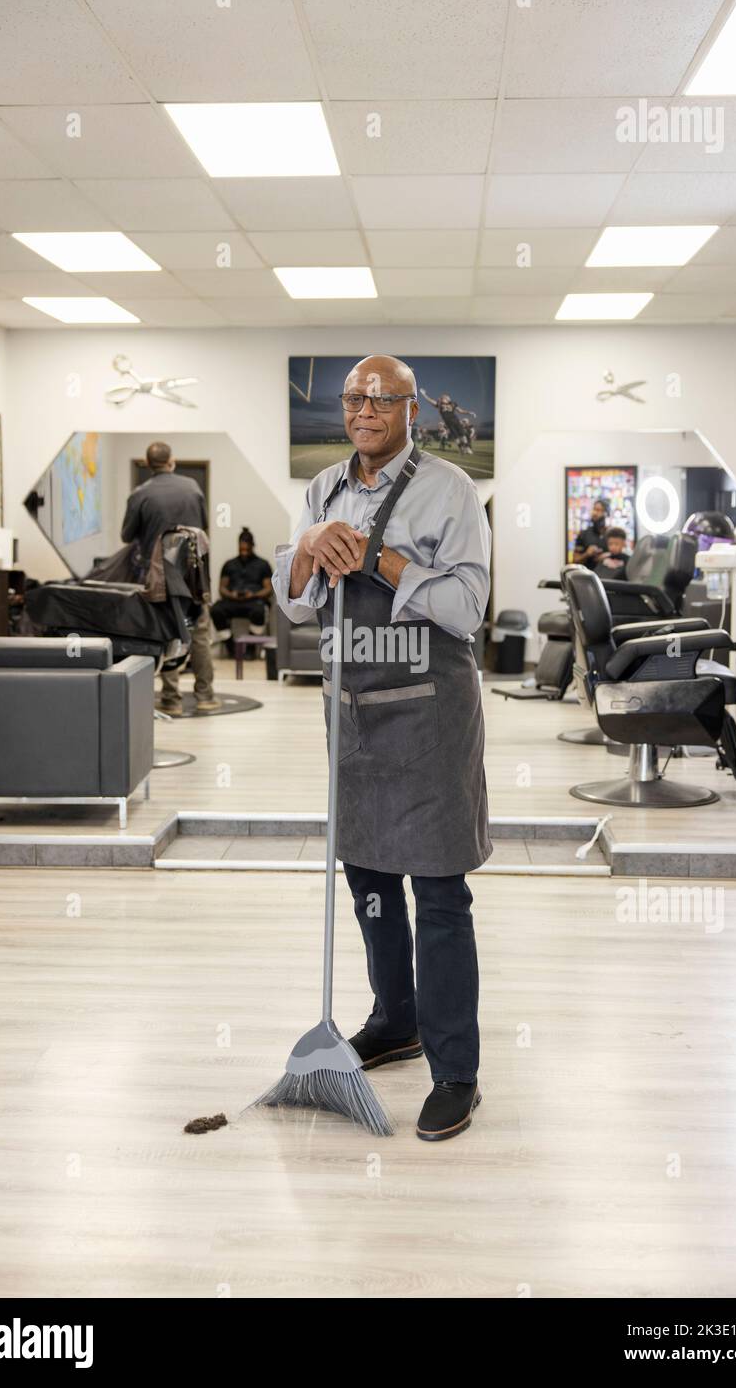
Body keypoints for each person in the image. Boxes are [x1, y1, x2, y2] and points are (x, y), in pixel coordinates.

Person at [273, 354, 491, 1142]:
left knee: (437, 894)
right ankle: (393, 1021)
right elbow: (294, 600)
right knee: (368, 882)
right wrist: (307, 549)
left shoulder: (449, 489)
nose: (363, 408)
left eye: (381, 398)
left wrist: (376, 555)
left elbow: (466, 606)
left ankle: (454, 1070)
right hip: (355, 713)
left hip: (429, 714)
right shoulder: (323, 489)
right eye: (353, 396)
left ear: (409, 411)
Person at [120, 440, 220, 714]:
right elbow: (203, 527)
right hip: (194, 575)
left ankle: (171, 699)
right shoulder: (192, 487)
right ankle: (206, 695)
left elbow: (126, 536)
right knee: (199, 632)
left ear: (147, 463)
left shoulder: (140, 494)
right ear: (171, 461)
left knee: (166, 632)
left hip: (160, 577)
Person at [210, 528, 273, 655]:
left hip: (254, 602)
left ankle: (250, 648)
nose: (244, 552)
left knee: (260, 611)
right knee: (216, 610)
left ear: (252, 546)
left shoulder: (263, 564)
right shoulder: (229, 564)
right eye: (241, 549)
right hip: (232, 601)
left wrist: (253, 594)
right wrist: (231, 594)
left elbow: (268, 589)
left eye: (247, 549)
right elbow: (222, 588)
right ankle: (230, 646)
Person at [573, 497, 610, 568]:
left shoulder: (612, 534)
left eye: (598, 510)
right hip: (588, 576)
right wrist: (587, 554)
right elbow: (575, 560)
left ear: (607, 514)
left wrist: (608, 555)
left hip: (608, 577)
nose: (594, 513)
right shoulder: (583, 534)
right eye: (594, 509)